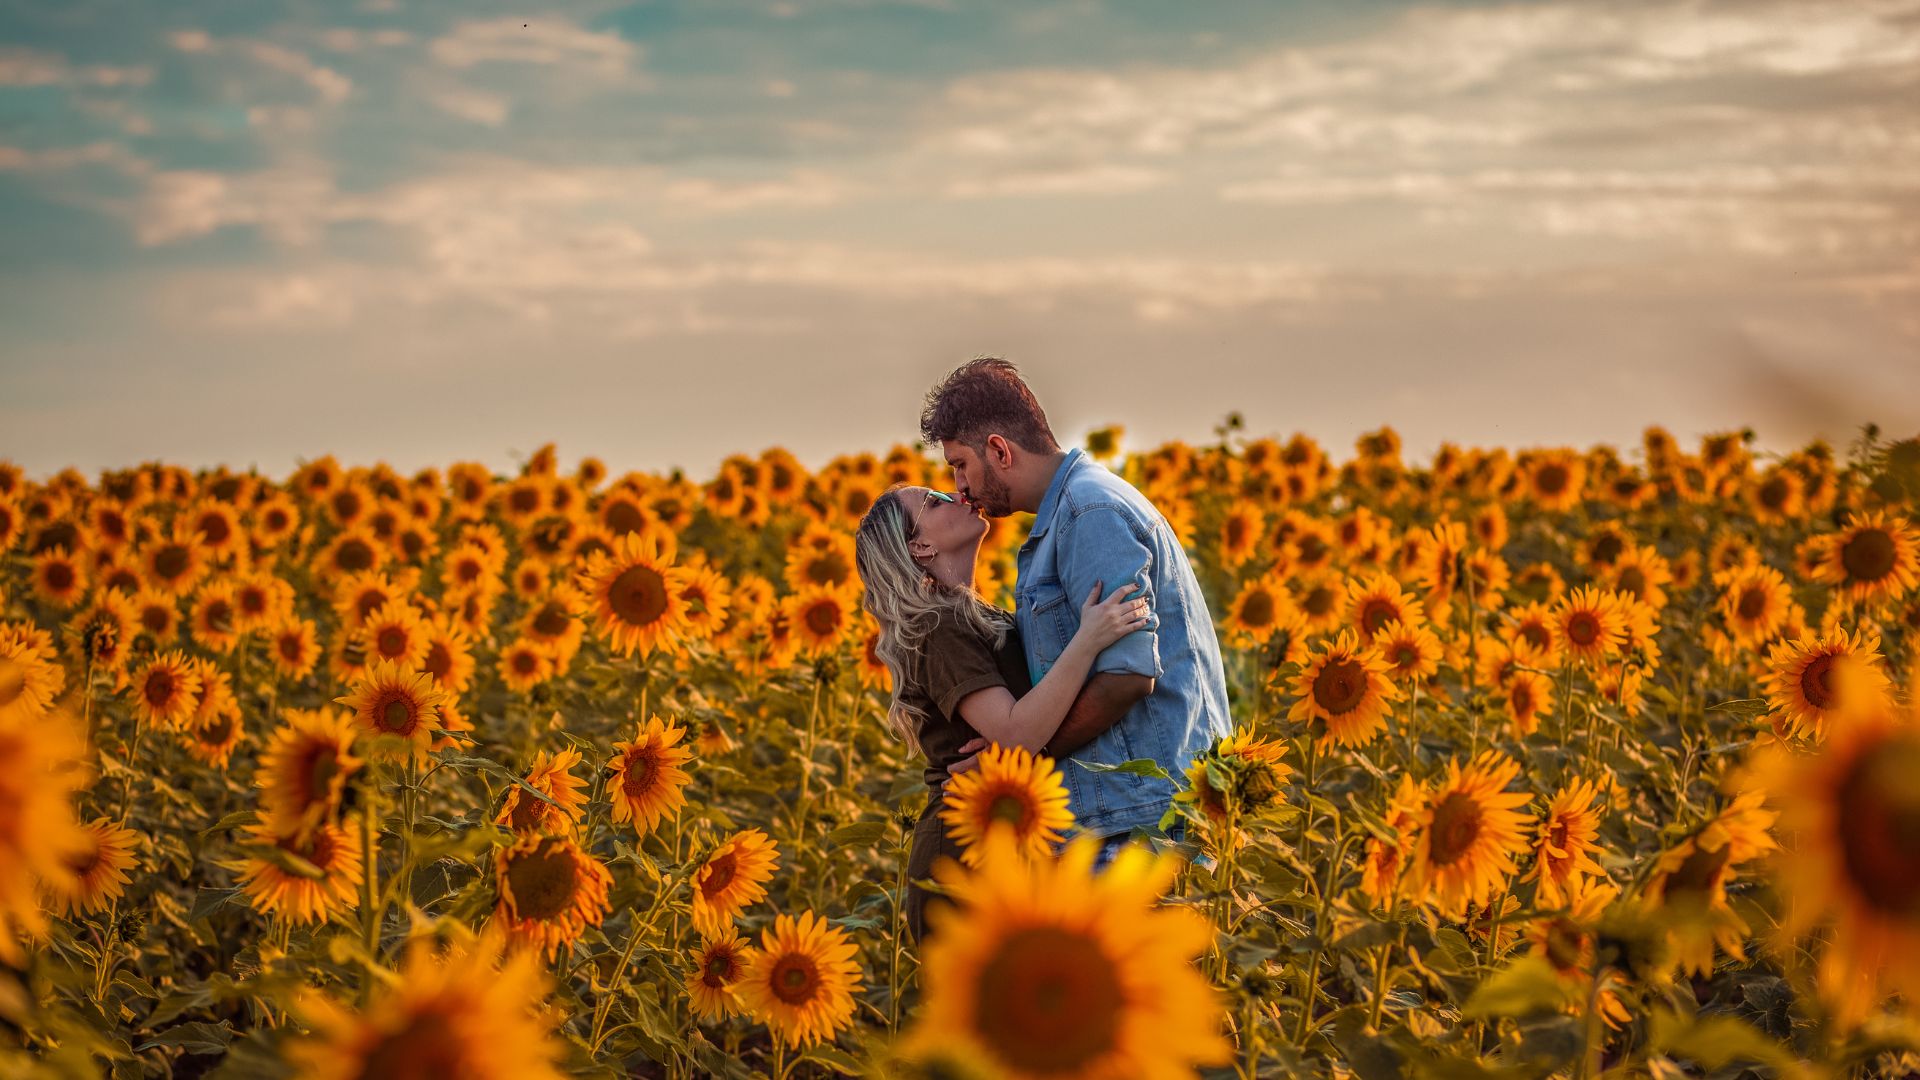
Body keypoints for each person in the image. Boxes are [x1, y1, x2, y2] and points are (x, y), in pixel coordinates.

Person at [922, 358, 1233, 871]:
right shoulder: (1074, 511)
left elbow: (1126, 677)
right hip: (1131, 815)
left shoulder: (1090, 515)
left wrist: (1018, 761)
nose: (959, 487)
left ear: (999, 450)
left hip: (1141, 824)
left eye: (960, 464)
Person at [854, 484, 1149, 943]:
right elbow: (1016, 732)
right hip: (961, 856)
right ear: (921, 547)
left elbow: (1021, 727)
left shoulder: (975, 614)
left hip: (998, 841)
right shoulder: (938, 625)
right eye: (934, 502)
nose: (954, 493)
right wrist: (1089, 639)